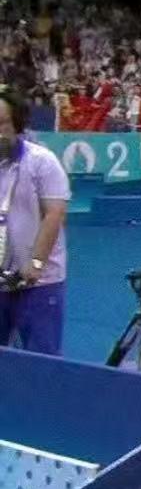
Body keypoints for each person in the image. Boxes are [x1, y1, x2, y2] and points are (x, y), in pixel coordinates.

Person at [0, 87, 70, 356]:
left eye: (2, 124)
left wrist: (37, 262)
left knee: (42, 360)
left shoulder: (42, 162)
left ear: (17, 124)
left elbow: (54, 214)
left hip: (39, 282)